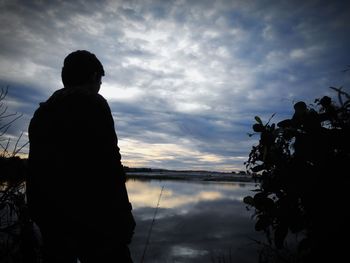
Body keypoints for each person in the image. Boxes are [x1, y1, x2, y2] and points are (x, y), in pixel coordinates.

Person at [27, 50, 135, 262]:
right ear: (94, 77)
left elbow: (36, 170)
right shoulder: (93, 104)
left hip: (51, 216)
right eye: (100, 81)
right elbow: (109, 165)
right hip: (95, 219)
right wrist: (124, 214)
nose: (99, 86)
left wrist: (38, 214)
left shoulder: (42, 113)